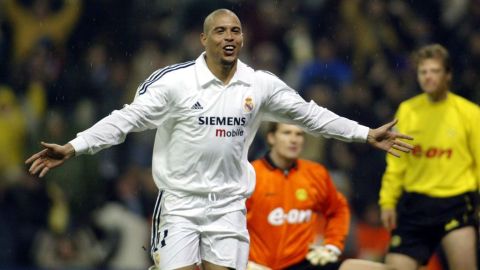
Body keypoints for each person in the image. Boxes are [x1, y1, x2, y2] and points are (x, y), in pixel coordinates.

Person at [26, 9, 413, 270]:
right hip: (179, 204)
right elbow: (126, 119)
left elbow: (310, 115)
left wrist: (364, 134)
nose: (229, 37)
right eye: (220, 31)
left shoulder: (258, 84)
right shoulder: (175, 83)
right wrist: (75, 145)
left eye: (236, 31)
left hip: (228, 206)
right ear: (203, 39)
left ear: (243, 38)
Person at [379, 43, 480, 270]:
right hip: (416, 205)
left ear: (448, 75)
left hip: (456, 203)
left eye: (434, 71)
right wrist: (387, 202)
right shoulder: (407, 111)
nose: (428, 77)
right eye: (423, 72)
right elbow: (396, 162)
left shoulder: (470, 113)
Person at [246, 123, 349, 270]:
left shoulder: (316, 173)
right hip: (259, 267)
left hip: (303, 264)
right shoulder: (251, 175)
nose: (294, 139)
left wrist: (333, 246)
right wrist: (243, 263)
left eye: (299, 134)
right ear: (271, 138)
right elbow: (229, 223)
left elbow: (338, 209)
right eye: (287, 133)